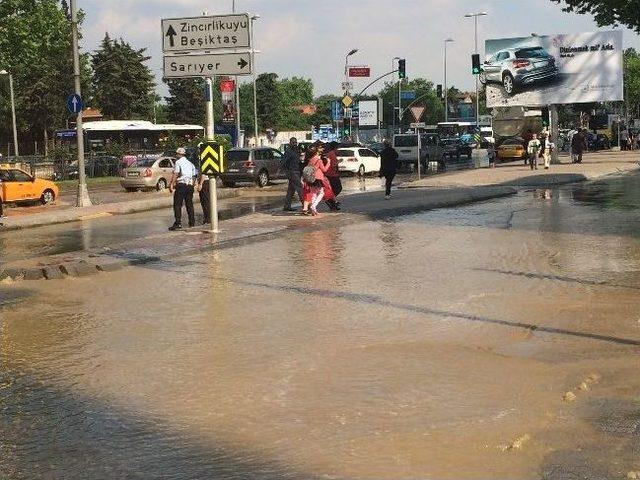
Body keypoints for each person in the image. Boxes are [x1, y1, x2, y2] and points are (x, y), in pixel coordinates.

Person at [168, 147, 197, 230]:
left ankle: (178, 223)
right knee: (189, 204)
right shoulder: (190, 163)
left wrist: (171, 184)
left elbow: (176, 173)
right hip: (190, 186)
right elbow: (194, 175)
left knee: (177, 204)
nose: (176, 155)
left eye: (177, 154)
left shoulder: (178, 162)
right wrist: (192, 184)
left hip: (181, 185)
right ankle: (192, 222)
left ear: (179, 154)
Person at [302, 145, 334, 216]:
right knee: (321, 193)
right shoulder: (318, 160)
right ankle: (313, 206)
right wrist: (328, 162)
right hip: (318, 178)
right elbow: (324, 170)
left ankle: (313, 210)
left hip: (311, 178)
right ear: (316, 152)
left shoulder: (310, 160)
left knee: (313, 193)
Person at [282, 137, 304, 212]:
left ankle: (287, 206)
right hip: (292, 172)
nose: (295, 144)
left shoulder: (296, 150)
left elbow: (298, 161)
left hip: (297, 171)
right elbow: (283, 162)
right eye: (293, 142)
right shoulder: (288, 151)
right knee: (300, 187)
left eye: (295, 142)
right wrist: (287, 172)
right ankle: (305, 206)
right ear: (290, 143)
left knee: (291, 190)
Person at [322, 142, 341, 211]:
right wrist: (338, 162)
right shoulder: (332, 154)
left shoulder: (329, 153)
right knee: (338, 188)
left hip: (329, 174)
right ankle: (330, 200)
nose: (338, 150)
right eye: (337, 148)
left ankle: (332, 204)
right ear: (335, 148)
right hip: (332, 174)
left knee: (332, 189)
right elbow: (333, 165)